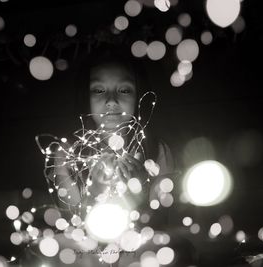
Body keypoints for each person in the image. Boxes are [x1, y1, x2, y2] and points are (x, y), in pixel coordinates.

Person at [39, 45, 179, 266]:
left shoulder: (156, 150)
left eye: (123, 90)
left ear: (139, 94)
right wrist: (92, 196)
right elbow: (71, 229)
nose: (111, 101)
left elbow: (162, 224)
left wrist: (139, 198)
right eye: (98, 90)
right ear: (85, 96)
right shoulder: (66, 154)